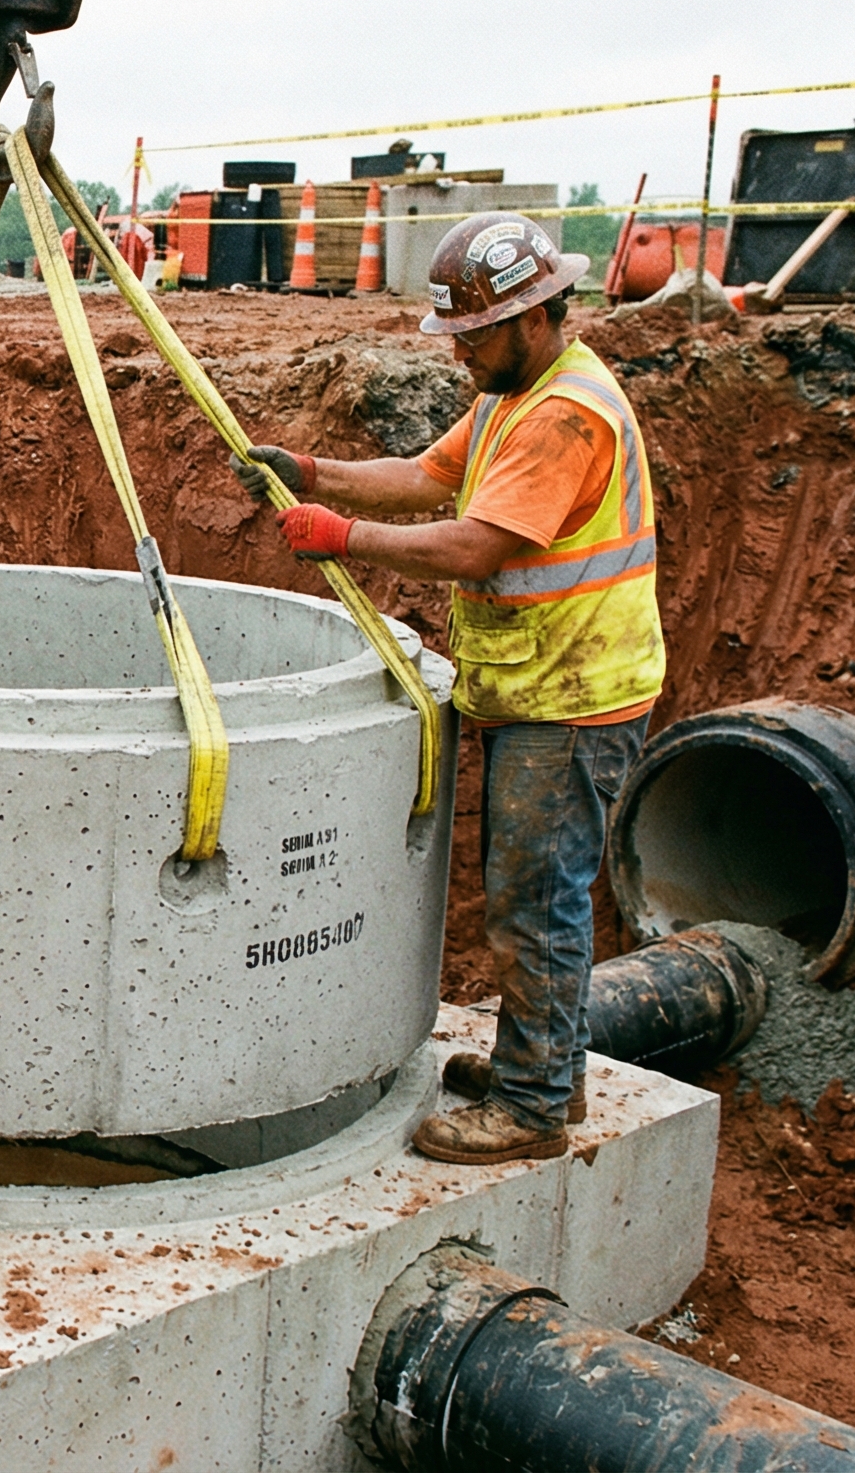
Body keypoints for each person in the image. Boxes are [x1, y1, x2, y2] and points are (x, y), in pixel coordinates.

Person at [237, 212, 664, 1166]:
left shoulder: (562, 415)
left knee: (535, 901)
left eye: (475, 334)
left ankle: (532, 1107)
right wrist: (312, 474)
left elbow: (475, 545)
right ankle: (544, 1068)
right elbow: (427, 475)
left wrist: (343, 538)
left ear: (535, 317)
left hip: (572, 696)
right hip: (537, 684)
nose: (460, 351)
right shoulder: (517, 394)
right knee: (533, 892)